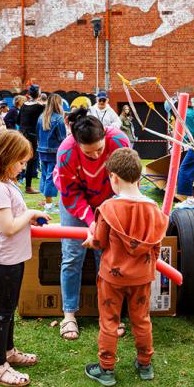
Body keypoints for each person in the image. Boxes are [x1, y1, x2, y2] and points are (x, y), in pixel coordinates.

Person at [83, 148, 168, 387]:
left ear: (114, 177)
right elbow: (155, 246)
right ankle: (145, 365)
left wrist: (91, 239)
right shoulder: (154, 209)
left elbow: (99, 242)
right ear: (139, 178)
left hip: (112, 277)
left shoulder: (108, 208)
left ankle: (106, 369)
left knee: (109, 321)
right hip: (142, 277)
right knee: (141, 320)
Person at [55, 107, 130, 341]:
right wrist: (90, 222)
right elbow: (70, 194)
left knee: (106, 256)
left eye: (99, 149)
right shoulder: (66, 153)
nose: (97, 156)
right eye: (89, 153)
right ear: (77, 145)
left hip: (110, 199)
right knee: (72, 254)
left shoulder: (119, 141)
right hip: (76, 202)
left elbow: (126, 181)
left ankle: (107, 315)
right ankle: (69, 314)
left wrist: (106, 217)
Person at [0, 130, 49, 387]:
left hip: (13, 259)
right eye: (21, 162)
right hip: (4, 262)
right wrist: (30, 212)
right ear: (7, 157)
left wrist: (29, 218)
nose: (23, 167)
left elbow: (13, 221)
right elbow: (8, 227)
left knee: (8, 312)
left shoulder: (7, 183)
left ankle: (9, 353)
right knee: (3, 314)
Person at [37, 94, 66, 213]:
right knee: (51, 177)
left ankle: (47, 202)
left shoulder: (41, 117)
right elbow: (62, 137)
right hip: (54, 151)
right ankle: (49, 206)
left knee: (44, 176)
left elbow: (37, 134)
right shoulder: (58, 118)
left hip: (42, 150)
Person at [18, 85, 45, 194]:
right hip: (32, 135)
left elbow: (18, 120)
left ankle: (16, 180)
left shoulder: (24, 105)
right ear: (38, 94)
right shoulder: (40, 107)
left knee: (18, 158)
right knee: (31, 160)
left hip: (21, 134)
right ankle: (28, 187)